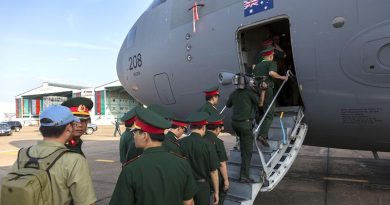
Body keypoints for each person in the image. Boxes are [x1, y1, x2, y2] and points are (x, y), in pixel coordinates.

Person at [110, 107, 198, 205]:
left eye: (136, 132)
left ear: (145, 136)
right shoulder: (183, 164)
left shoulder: (130, 170)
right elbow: (188, 202)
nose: (134, 136)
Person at [11, 105, 97, 205]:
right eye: (73, 124)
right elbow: (86, 202)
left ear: (41, 129)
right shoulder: (74, 160)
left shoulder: (23, 155)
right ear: (69, 128)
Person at [179, 112, 220, 205]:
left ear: (190, 128)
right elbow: (213, 171)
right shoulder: (208, 144)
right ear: (203, 128)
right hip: (202, 187)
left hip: (185, 185)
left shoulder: (180, 143)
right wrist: (216, 192)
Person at [253, 47, 289, 146]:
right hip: (267, 89)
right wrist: (282, 77)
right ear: (270, 56)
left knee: (261, 110)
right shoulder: (271, 63)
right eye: (272, 55)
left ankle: (261, 131)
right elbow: (271, 73)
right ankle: (262, 135)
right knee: (269, 113)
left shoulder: (257, 66)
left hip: (257, 90)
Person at [226, 75, 259, 183]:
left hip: (235, 124)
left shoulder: (233, 94)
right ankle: (244, 176)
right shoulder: (249, 93)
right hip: (245, 125)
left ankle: (242, 153)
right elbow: (259, 103)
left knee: (244, 147)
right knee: (247, 152)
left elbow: (228, 104)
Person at [204, 114, 229, 205]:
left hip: (201, 177)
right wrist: (226, 180)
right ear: (217, 129)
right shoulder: (217, 142)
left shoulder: (201, 138)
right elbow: (222, 163)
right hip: (214, 176)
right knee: (221, 192)